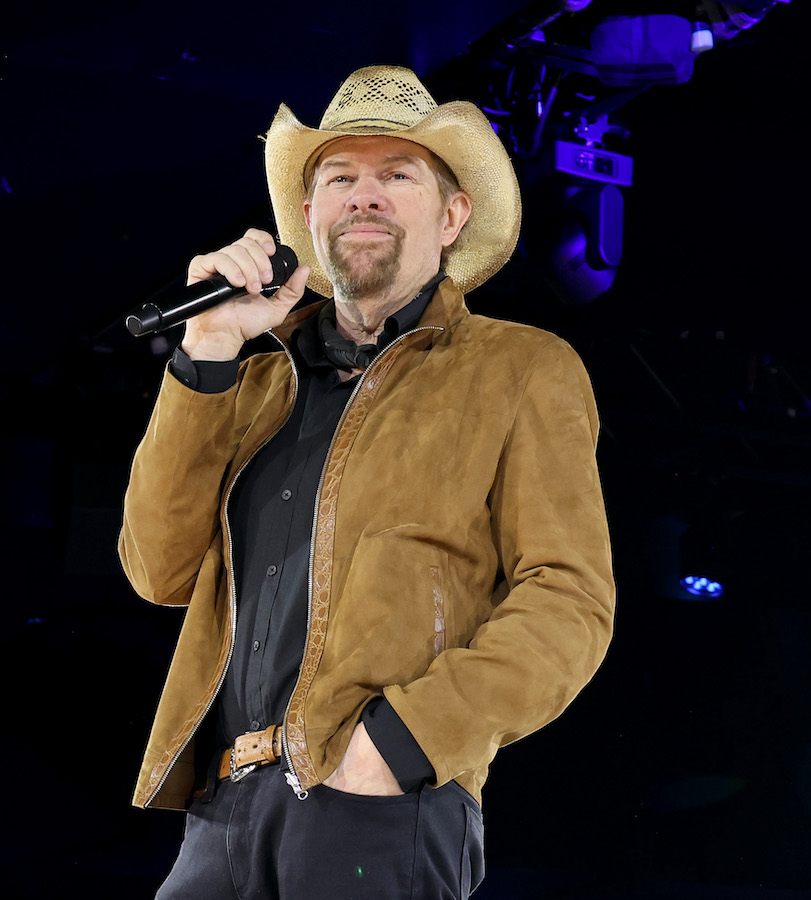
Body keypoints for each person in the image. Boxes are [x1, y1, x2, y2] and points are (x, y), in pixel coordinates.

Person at [119, 65, 616, 899]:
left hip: (375, 804)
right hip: (219, 815)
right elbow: (156, 568)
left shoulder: (521, 369)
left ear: (453, 214)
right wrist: (205, 351)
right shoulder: (251, 385)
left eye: (397, 175)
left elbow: (568, 602)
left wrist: (406, 743)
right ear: (308, 217)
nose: (365, 196)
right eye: (340, 178)